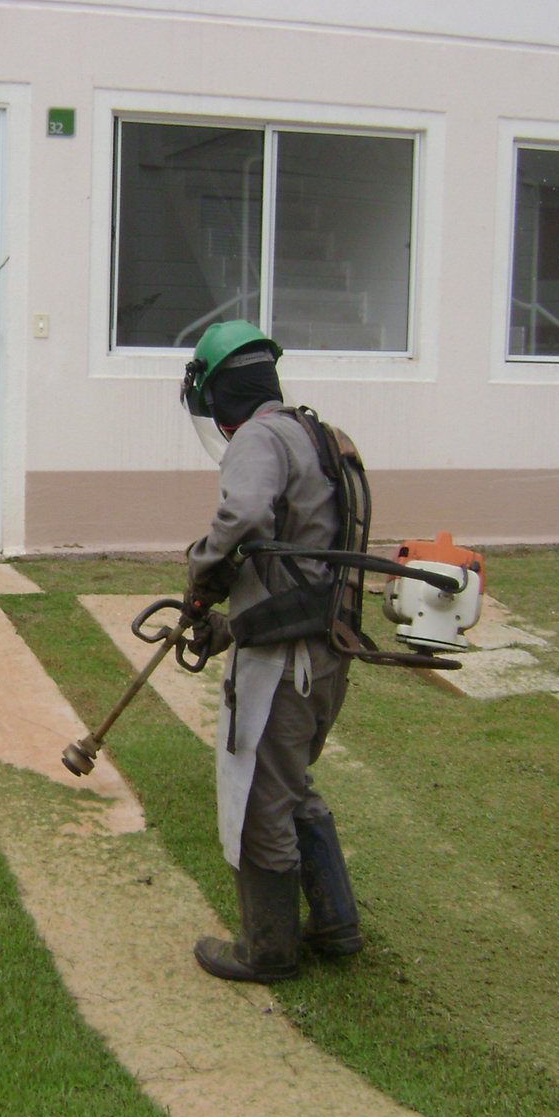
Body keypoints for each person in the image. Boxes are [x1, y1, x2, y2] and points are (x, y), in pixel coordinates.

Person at [180, 319, 364, 984]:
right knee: (291, 785)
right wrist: (233, 626)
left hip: (288, 666)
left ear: (218, 394)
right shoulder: (320, 435)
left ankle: (268, 951)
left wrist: (203, 570)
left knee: (262, 801)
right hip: (326, 653)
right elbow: (303, 569)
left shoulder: (258, 437)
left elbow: (246, 518)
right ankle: (337, 924)